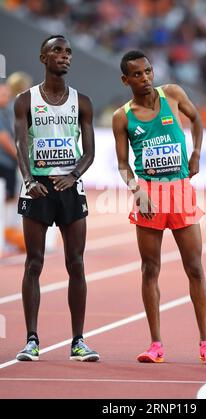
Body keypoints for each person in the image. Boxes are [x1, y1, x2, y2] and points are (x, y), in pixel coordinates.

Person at [112, 50, 206, 365]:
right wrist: (136, 190)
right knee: (150, 268)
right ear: (126, 79)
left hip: (179, 191)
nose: (145, 78)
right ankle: (156, 344)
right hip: (148, 193)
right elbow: (122, 164)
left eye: (148, 71)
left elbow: (198, 117)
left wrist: (197, 153)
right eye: (137, 74)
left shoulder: (172, 94)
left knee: (195, 267)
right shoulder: (122, 116)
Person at [14, 35, 99, 362]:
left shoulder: (83, 102)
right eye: (57, 51)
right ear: (42, 58)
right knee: (34, 262)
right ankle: (31, 340)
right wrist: (28, 179)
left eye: (68, 52)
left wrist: (74, 175)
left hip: (70, 188)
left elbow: (90, 152)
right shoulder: (25, 100)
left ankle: (78, 341)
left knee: (76, 263)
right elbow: (22, 144)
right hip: (37, 188)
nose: (64, 56)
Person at [0, 83, 25, 251]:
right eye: (4, 94)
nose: (7, 97)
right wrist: (19, 156)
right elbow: (3, 138)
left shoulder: (6, 111)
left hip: (8, 163)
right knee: (6, 199)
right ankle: (5, 238)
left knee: (9, 199)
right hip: (3, 162)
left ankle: (7, 236)